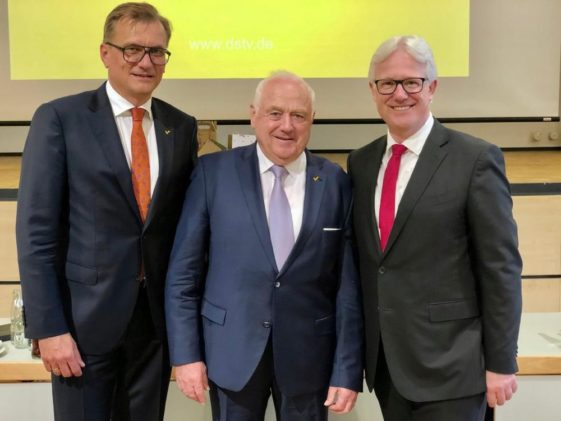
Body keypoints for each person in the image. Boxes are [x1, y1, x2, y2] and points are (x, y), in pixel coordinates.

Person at [16, 3, 198, 420]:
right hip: (81, 329)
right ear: (105, 53)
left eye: (157, 52)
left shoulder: (181, 126)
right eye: (133, 49)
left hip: (154, 327)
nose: (146, 62)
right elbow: (36, 232)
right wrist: (49, 328)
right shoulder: (61, 118)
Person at [165, 71, 363, 421]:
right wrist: (185, 355)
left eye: (298, 115)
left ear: (312, 120)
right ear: (253, 115)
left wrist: (346, 370)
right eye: (275, 113)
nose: (286, 126)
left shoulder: (335, 181)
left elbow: (347, 287)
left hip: (309, 357)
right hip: (231, 352)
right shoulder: (213, 173)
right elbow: (184, 274)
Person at [347, 35, 522, 421]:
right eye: (387, 83)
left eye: (412, 82)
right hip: (388, 367)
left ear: (432, 88)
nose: (400, 94)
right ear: (373, 91)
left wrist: (501, 362)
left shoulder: (475, 159)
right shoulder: (361, 162)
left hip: (454, 368)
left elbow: (500, 268)